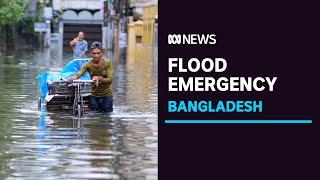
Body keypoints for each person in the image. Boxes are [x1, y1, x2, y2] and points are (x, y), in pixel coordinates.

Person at [68, 41, 113, 112]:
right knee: (94, 116)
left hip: (107, 95)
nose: (96, 56)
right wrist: (73, 78)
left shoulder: (107, 63)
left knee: (107, 117)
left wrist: (99, 78)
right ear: (90, 53)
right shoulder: (88, 65)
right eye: (94, 53)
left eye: (98, 53)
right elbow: (79, 74)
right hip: (94, 96)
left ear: (102, 53)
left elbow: (110, 80)